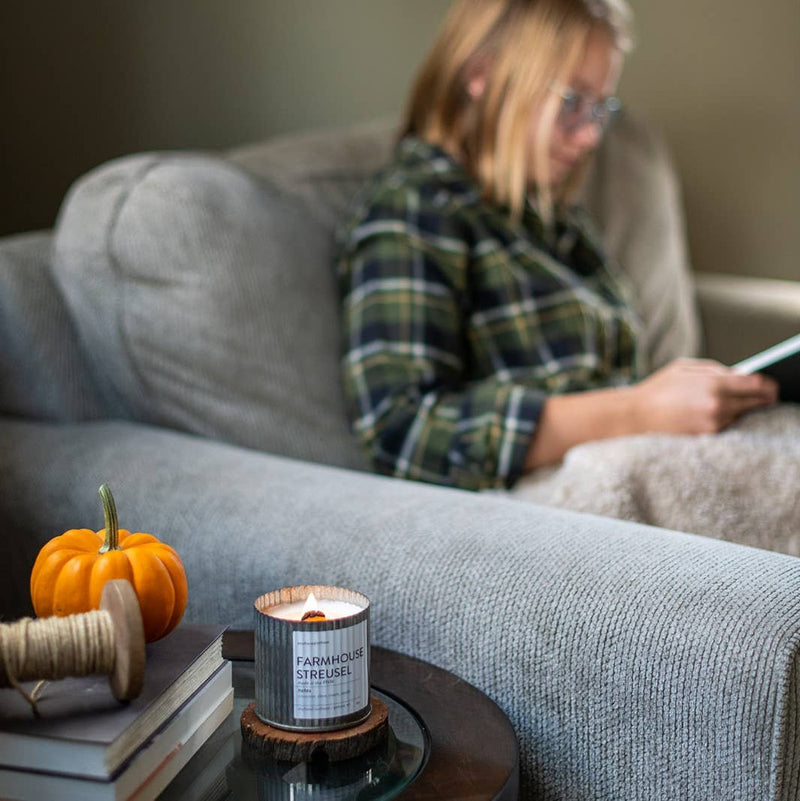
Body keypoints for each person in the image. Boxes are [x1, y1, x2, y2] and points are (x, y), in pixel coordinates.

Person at [335, 0, 777, 492]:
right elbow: (403, 433)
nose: (590, 136)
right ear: (481, 74)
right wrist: (637, 410)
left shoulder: (554, 221)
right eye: (571, 101)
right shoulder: (415, 212)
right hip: (554, 500)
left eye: (600, 108)